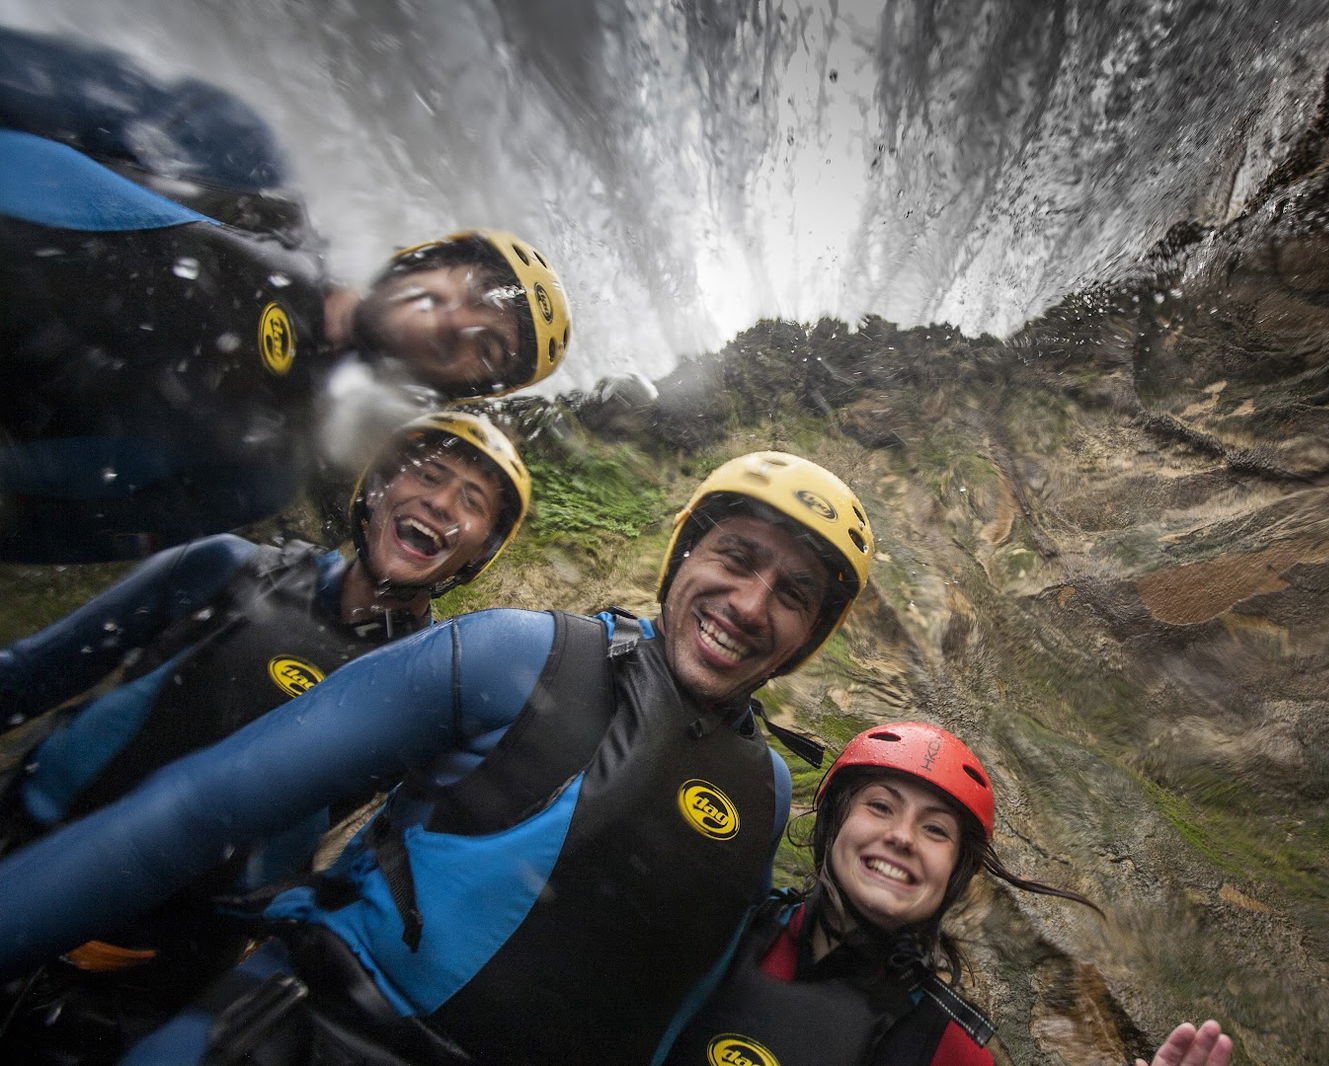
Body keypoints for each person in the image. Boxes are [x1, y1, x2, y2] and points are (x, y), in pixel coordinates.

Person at [0, 451, 876, 1066]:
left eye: (794, 595)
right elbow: (198, 809)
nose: (751, 603)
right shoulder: (513, 654)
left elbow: (676, 1011)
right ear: (686, 555)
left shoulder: (764, 792)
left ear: (808, 638)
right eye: (735, 556)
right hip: (291, 1038)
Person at [0, 411, 531, 1064]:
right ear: (376, 489)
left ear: (479, 552)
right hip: (18, 855)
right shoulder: (224, 568)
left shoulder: (441, 690)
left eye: (472, 501)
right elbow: (27, 676)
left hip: (156, 978)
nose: (441, 501)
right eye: (428, 474)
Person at [0, 25, 571, 563]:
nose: (462, 321)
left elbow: (33, 529)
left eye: (489, 348)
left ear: (458, 386)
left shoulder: (260, 476)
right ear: (433, 257)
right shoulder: (236, 156)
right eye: (476, 288)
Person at [666, 722, 1236, 1066]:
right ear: (832, 824)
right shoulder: (720, 934)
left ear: (956, 874)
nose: (901, 837)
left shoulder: (951, 1053)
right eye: (880, 806)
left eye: (935, 830)